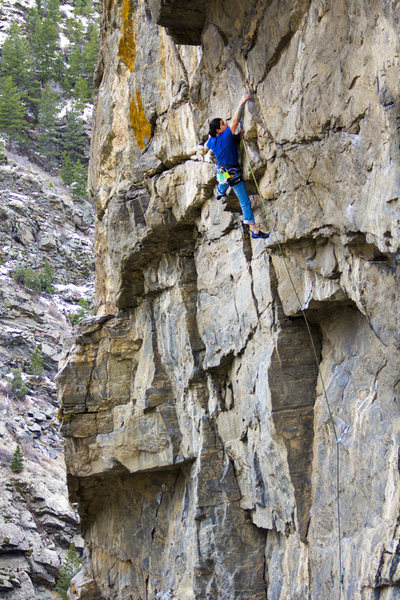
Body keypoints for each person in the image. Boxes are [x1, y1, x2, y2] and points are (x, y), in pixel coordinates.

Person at [206, 93, 269, 239]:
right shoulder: (226, 135)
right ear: (218, 130)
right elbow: (235, 121)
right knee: (245, 202)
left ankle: (220, 193)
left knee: (222, 184)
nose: (226, 124)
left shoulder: (212, 140)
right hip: (233, 173)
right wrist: (241, 103)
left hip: (221, 171)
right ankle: (254, 231)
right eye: (223, 124)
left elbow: (206, 145)